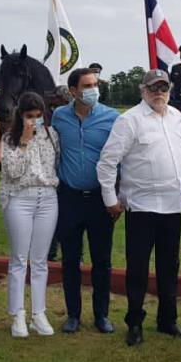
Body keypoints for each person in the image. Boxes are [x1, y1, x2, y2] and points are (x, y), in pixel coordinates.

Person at [97, 68, 181, 346]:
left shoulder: (176, 117)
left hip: (172, 205)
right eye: (154, 88)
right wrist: (110, 200)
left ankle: (167, 321)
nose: (159, 93)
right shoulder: (129, 120)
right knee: (137, 269)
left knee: (169, 267)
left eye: (163, 88)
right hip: (141, 206)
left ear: (169, 90)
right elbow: (107, 162)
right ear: (143, 90)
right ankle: (134, 322)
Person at [53, 67, 119, 334]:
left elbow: (120, 159)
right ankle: (73, 315)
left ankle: (101, 314)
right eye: (87, 85)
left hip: (100, 200)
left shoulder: (113, 118)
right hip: (68, 197)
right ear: (73, 91)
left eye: (95, 84)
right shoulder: (59, 117)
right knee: (70, 259)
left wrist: (117, 197)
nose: (93, 89)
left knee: (101, 260)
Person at [0, 92, 60, 338]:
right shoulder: (9, 138)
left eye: (37, 116)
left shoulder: (51, 135)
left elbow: (55, 165)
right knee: (18, 259)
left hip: (47, 197)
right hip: (19, 198)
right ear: (20, 115)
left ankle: (38, 312)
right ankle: (18, 314)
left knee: (40, 260)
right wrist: (24, 141)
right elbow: (12, 172)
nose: (33, 121)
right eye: (28, 116)